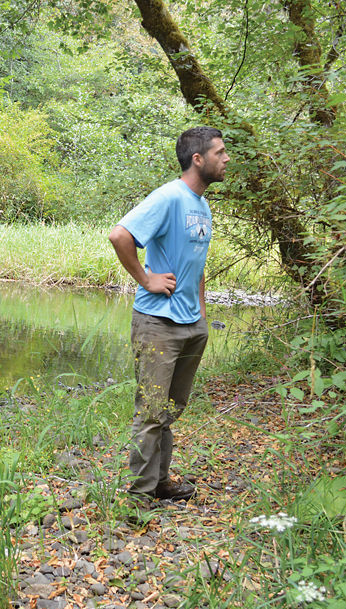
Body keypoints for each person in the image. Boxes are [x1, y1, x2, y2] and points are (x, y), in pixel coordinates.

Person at [108, 126, 230, 502]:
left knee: (170, 409)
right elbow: (119, 235)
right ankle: (139, 496)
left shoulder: (202, 204)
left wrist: (202, 315)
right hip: (158, 324)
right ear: (198, 159)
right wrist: (146, 279)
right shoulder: (170, 197)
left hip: (191, 324)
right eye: (220, 153)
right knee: (151, 411)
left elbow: (197, 261)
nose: (227, 159)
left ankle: (160, 482)